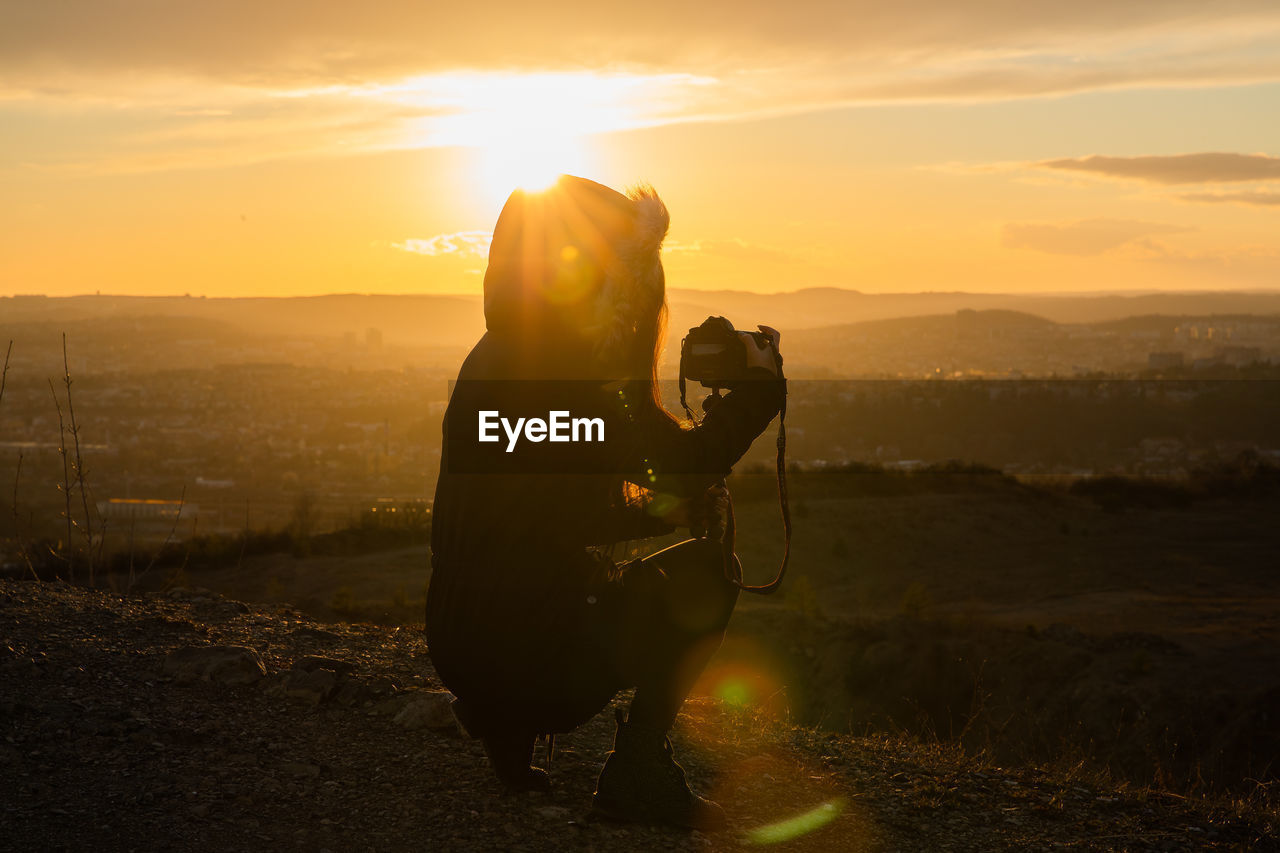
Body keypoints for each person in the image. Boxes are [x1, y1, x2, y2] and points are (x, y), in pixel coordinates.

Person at [425, 175, 784, 831]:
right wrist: (756, 398)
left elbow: (546, 513)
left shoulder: (493, 358)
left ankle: (505, 724)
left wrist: (665, 510)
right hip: (525, 653)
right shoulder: (576, 372)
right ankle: (637, 774)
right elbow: (682, 463)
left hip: (456, 640)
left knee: (539, 584)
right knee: (710, 574)